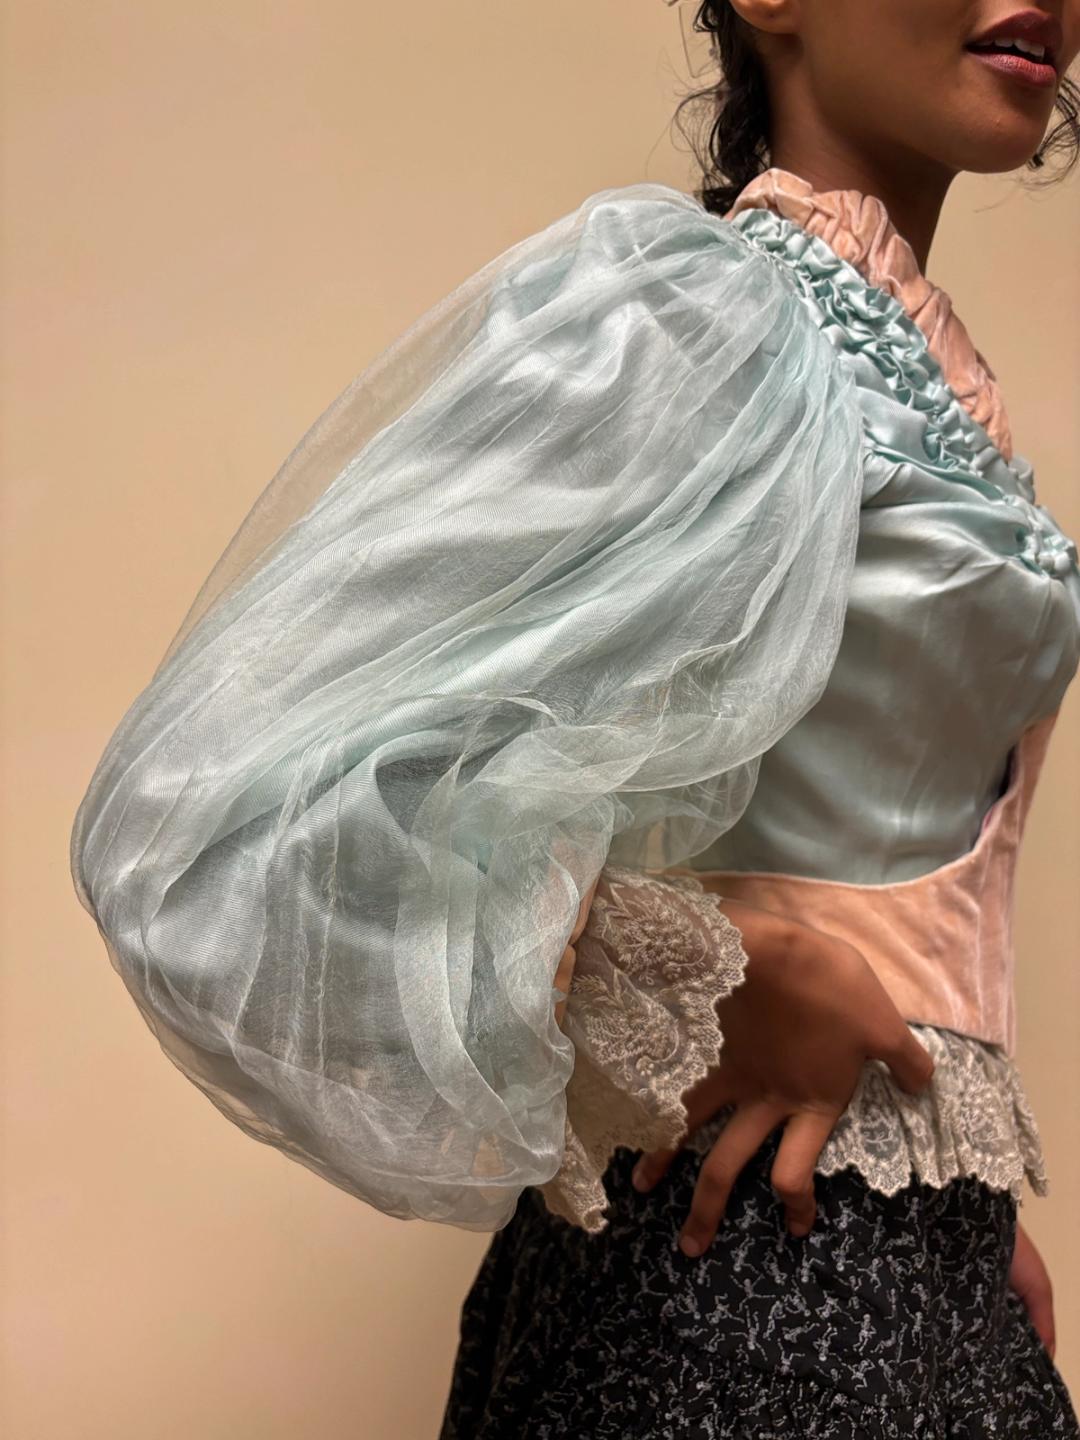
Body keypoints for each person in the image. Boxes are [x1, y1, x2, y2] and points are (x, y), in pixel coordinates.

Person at [68, 1, 1080, 1435]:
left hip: (925, 1273)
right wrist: (713, 979)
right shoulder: (696, 318)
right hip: (732, 1293)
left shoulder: (929, 367)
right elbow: (208, 817)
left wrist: (956, 1204)